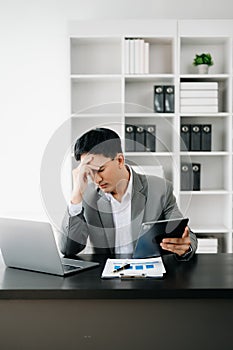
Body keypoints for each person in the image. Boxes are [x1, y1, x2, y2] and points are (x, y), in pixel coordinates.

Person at [59, 127, 197, 260]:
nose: (96, 179)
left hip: (148, 276)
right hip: (103, 279)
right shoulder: (87, 196)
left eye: (100, 170)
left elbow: (184, 232)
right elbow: (68, 249)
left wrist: (186, 246)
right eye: (90, 172)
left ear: (120, 160)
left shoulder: (160, 189)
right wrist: (76, 196)